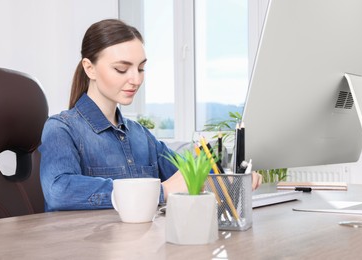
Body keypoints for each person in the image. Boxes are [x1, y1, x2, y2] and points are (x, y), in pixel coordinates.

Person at [39, 19, 262, 212]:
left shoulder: (141, 136)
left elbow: (186, 176)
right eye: (121, 69)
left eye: (141, 69)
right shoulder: (61, 129)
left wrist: (230, 182)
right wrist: (159, 192)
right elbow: (59, 191)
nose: (136, 80)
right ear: (90, 68)